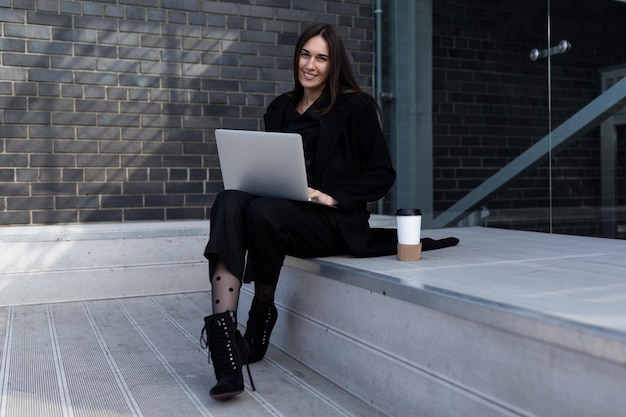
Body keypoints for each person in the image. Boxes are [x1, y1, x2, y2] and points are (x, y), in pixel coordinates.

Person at [200, 23, 397, 401]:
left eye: (321, 57)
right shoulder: (279, 108)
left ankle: (261, 312)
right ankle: (226, 353)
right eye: (305, 54)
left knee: (263, 213)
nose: (310, 64)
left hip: (328, 222)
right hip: (277, 210)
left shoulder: (355, 107)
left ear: (333, 64)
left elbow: (382, 174)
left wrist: (331, 196)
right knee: (229, 200)